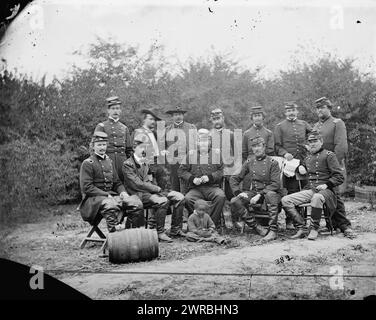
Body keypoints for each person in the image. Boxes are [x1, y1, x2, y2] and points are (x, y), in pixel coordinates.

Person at [281, 131, 355, 240]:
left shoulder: (329, 155)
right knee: (285, 200)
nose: (312, 144)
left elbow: (339, 177)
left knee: (317, 197)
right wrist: (300, 167)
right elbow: (302, 166)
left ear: (321, 142)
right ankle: (302, 227)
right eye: (310, 142)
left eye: (315, 141)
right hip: (311, 189)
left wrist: (326, 185)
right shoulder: (308, 158)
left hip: (327, 191)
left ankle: (314, 228)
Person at [122, 136, 185, 242]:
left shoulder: (146, 162)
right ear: (134, 148)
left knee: (180, 197)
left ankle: (175, 229)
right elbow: (137, 184)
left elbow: (157, 174)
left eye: (145, 147)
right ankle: (159, 232)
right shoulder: (128, 164)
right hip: (137, 195)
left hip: (151, 192)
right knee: (162, 201)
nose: (144, 150)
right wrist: (156, 189)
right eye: (141, 147)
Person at [79, 131, 143, 232]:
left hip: (109, 197)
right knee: (110, 204)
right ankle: (115, 236)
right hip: (93, 201)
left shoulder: (109, 161)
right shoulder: (88, 163)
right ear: (93, 146)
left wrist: (123, 192)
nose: (102, 147)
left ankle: (132, 232)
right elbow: (87, 188)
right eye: (99, 145)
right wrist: (105, 194)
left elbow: (117, 183)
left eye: (104, 144)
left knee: (135, 203)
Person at [312, 97, 353, 235]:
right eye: (318, 108)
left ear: (329, 108)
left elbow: (341, 146)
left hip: (334, 165)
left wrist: (333, 165)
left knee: (335, 195)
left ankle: (344, 225)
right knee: (327, 195)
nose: (320, 110)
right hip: (322, 167)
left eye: (323, 107)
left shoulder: (337, 123)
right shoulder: (316, 126)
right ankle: (332, 224)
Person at [230, 136, 281, 241]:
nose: (256, 149)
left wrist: (260, 194)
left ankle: (273, 230)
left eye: (259, 146)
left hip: (269, 193)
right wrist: (239, 192)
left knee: (271, 195)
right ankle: (256, 227)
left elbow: (275, 184)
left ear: (264, 147)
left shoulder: (273, 162)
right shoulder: (249, 162)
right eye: (254, 146)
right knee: (235, 201)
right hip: (254, 192)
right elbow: (234, 178)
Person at [274, 101, 312, 229]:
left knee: (306, 189)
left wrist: (308, 145)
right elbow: (277, 146)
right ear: (285, 113)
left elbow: (314, 135)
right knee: (292, 191)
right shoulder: (280, 126)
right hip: (290, 164)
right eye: (288, 111)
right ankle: (291, 221)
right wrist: (284, 154)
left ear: (297, 111)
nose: (291, 113)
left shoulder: (304, 124)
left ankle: (303, 220)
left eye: (293, 110)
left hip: (304, 161)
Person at [178, 128, 226, 227]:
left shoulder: (216, 154)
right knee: (187, 199)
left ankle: (211, 223)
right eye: (201, 141)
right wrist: (192, 179)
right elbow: (181, 171)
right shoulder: (191, 154)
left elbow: (222, 170)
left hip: (212, 187)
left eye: (206, 140)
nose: (203, 143)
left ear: (209, 142)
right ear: (197, 142)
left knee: (220, 196)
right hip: (196, 189)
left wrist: (210, 177)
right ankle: (198, 222)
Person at [94, 96, 132, 182]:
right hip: (107, 161)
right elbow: (94, 149)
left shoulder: (124, 128)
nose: (115, 111)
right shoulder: (102, 126)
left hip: (122, 163)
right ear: (108, 111)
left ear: (120, 111)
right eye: (113, 108)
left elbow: (129, 150)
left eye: (117, 108)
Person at [132, 109, 168, 190]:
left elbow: (155, 147)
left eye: (154, 120)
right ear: (144, 119)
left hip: (157, 163)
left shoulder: (152, 132)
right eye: (151, 119)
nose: (153, 122)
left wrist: (161, 152)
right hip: (147, 165)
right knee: (152, 187)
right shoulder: (140, 132)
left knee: (162, 185)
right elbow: (138, 152)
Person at [165, 105, 197, 194]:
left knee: (189, 185)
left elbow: (196, 145)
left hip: (188, 161)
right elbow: (164, 147)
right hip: (174, 163)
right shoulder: (167, 129)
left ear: (183, 116)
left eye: (180, 114)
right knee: (175, 186)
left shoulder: (191, 127)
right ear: (172, 117)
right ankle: (177, 205)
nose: (178, 116)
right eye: (175, 115)